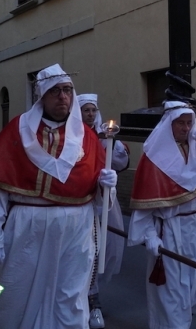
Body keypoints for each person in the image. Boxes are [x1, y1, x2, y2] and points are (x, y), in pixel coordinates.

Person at [0, 64, 115, 328]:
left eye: (68, 90)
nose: (63, 97)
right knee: (15, 293)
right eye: (56, 91)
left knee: (70, 296)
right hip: (28, 227)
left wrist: (107, 186)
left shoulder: (87, 137)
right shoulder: (18, 131)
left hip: (75, 229)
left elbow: (99, 198)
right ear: (42, 96)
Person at [127, 101, 196, 329]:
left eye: (189, 122)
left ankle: (183, 320)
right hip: (170, 230)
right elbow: (145, 204)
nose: (185, 128)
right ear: (168, 124)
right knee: (172, 292)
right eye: (180, 123)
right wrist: (150, 235)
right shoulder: (153, 158)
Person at [78, 93, 129, 329]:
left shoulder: (103, 135)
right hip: (77, 200)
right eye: (85, 110)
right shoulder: (72, 135)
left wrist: (111, 143)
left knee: (97, 252)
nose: (89, 114)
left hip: (101, 199)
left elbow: (118, 163)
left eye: (92, 110)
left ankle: (94, 303)